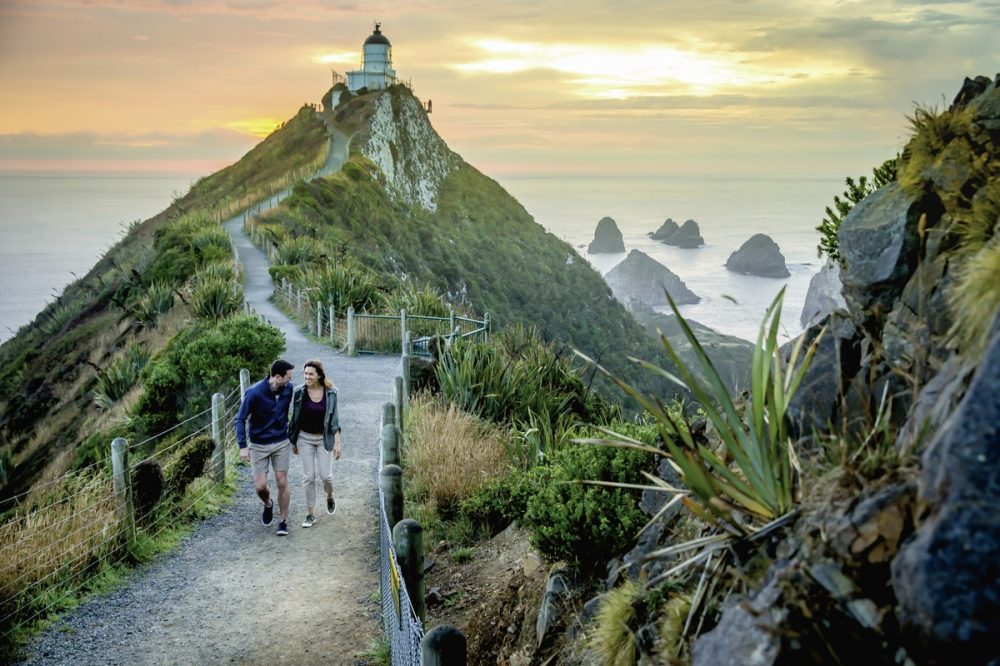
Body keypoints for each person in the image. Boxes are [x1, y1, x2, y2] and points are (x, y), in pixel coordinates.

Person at [234, 359, 295, 536]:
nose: (290, 382)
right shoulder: (254, 393)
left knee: (282, 481)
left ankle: (283, 521)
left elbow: (285, 413)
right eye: (288, 378)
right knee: (260, 486)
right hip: (259, 444)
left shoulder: (288, 390)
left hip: (281, 442)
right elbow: (240, 419)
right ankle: (268, 504)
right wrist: (242, 446)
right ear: (277, 377)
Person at [288, 359, 342, 528]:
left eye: (310, 374)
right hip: (304, 438)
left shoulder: (331, 393)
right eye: (305, 374)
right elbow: (294, 418)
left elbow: (335, 421)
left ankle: (330, 495)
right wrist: (294, 441)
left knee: (326, 476)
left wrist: (337, 444)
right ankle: (310, 514)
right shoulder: (299, 392)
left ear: (319, 375)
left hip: (323, 439)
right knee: (308, 477)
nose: (307, 377)